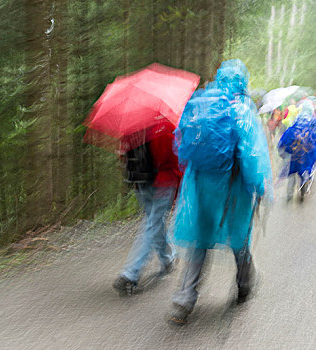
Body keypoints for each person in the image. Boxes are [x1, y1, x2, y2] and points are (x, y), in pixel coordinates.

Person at [168, 59, 272, 325]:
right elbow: (251, 154)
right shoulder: (241, 110)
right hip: (233, 189)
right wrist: (259, 186)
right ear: (242, 82)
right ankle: (244, 284)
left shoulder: (198, 104)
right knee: (239, 238)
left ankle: (184, 300)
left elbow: (179, 146)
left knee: (199, 242)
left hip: (200, 187)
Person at [112, 131, 181, 296]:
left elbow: (124, 156)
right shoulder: (165, 128)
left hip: (140, 182)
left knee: (154, 223)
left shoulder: (133, 126)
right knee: (152, 224)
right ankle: (130, 273)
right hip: (163, 182)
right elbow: (176, 159)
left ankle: (167, 258)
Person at [278, 101, 316, 202]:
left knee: (292, 170)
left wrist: (282, 145)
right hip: (307, 151)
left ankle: (289, 194)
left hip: (294, 150)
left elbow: (289, 132)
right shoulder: (313, 120)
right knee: (305, 169)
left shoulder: (296, 119)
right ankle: (303, 187)